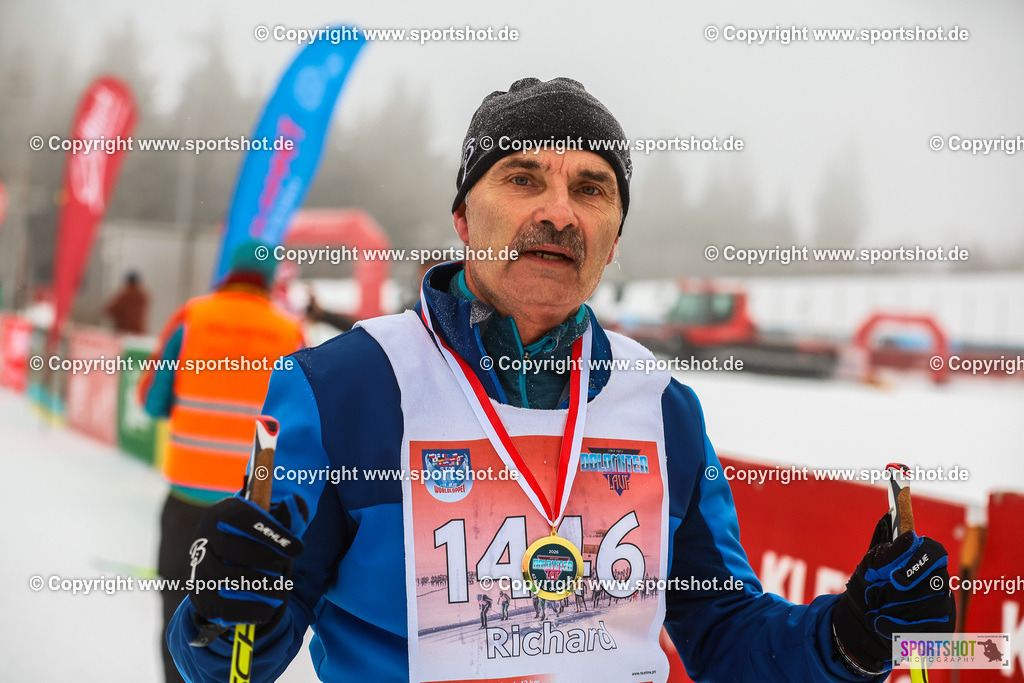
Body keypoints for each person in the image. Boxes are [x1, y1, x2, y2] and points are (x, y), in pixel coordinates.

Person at [167, 78, 954, 682]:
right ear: (464, 220)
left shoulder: (663, 408)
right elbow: (232, 662)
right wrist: (223, 613)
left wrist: (851, 637)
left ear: (613, 243)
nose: (560, 211)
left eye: (591, 188)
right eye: (522, 178)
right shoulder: (346, 387)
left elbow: (722, 630)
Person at [140, 239, 304, 683]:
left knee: (181, 613)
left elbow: (151, 402)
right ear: (270, 279)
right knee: (242, 629)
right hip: (253, 512)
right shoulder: (289, 330)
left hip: (188, 501)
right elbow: (303, 419)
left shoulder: (192, 318)